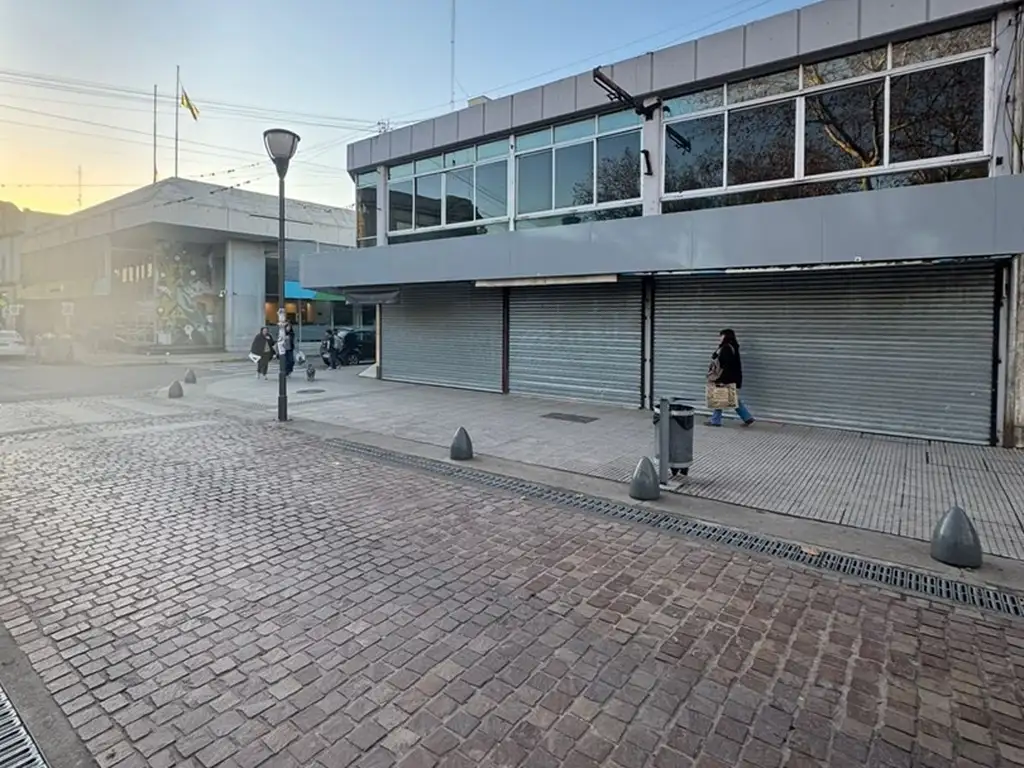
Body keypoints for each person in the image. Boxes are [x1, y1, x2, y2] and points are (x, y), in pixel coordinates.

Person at [706, 328, 755, 427]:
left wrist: (721, 380)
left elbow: (727, 366)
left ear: (726, 336)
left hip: (726, 378)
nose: (720, 338)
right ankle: (747, 417)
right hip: (732, 377)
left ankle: (715, 421)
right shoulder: (731, 347)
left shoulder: (727, 348)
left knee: (719, 397)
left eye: (722, 336)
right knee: (733, 399)